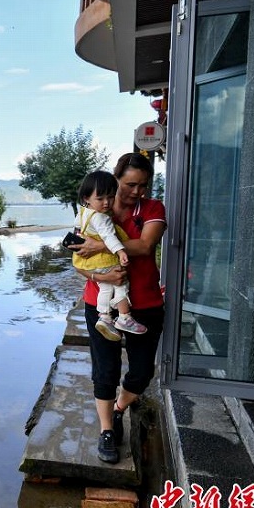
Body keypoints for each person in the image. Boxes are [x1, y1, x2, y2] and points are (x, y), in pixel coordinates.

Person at [70, 153, 166, 464]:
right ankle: (107, 430)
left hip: (146, 302)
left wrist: (100, 245)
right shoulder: (92, 212)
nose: (137, 192)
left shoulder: (152, 209)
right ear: (116, 179)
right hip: (100, 303)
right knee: (105, 370)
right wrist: (101, 274)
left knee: (141, 372)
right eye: (130, 185)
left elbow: (147, 245)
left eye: (143, 185)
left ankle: (120, 407)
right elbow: (77, 261)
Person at [72, 171, 148, 341]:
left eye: (110, 197)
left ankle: (104, 316)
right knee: (121, 283)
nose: (106, 203)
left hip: (91, 262)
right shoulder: (101, 219)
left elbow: (78, 228)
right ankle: (124, 317)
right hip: (105, 259)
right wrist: (120, 251)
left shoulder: (83, 212)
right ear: (86, 198)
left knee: (106, 286)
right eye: (100, 199)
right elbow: (109, 237)